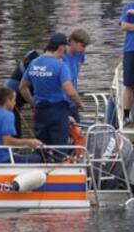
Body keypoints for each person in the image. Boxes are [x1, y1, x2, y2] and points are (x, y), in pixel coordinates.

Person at [19, 32, 85, 161]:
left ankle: (38, 173)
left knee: (41, 148)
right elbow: (70, 91)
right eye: (65, 47)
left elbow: (22, 87)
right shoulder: (60, 65)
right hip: (57, 112)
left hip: (40, 111)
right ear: (61, 47)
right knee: (60, 149)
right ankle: (61, 175)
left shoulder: (34, 63)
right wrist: (79, 103)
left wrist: (33, 103)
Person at [0, 87, 43, 164]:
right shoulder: (8, 115)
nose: (15, 103)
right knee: (38, 158)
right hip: (0, 160)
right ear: (8, 100)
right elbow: (7, 141)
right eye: (14, 100)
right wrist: (29, 142)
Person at [5, 49, 40, 137]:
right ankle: (15, 143)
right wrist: (33, 104)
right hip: (14, 92)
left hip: (12, 89)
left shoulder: (31, 62)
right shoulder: (36, 64)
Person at [64, 28, 92, 123]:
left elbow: (76, 72)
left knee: (78, 131)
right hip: (62, 102)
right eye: (82, 45)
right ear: (73, 42)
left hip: (73, 101)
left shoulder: (80, 54)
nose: (84, 49)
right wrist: (79, 102)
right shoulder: (61, 56)